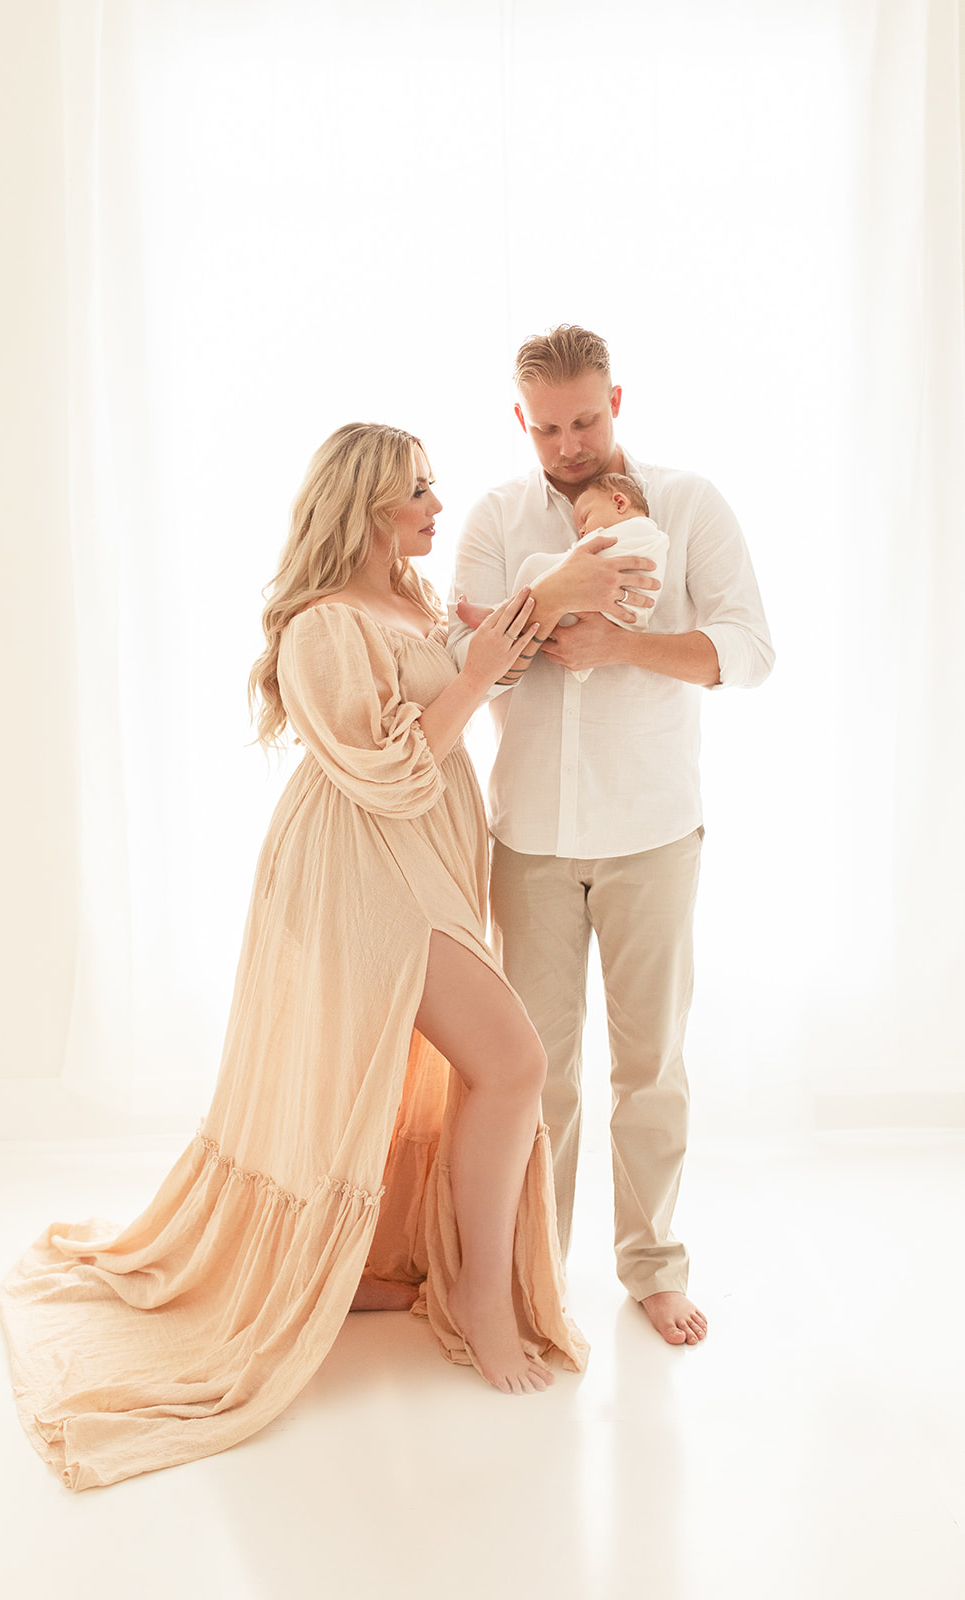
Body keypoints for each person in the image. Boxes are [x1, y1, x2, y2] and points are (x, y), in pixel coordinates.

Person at [0, 422, 587, 1491]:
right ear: (364, 501)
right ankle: (480, 1301)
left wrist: (512, 637)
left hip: (425, 853)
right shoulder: (323, 624)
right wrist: (478, 675)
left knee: (452, 1073)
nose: (435, 505)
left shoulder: (410, 601)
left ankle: (382, 1263)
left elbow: (448, 710)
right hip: (361, 865)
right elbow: (384, 766)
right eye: (417, 489)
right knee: (510, 1063)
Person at [449, 326, 774, 1347]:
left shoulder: (686, 504)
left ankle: (650, 1266)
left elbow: (749, 652)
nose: (568, 441)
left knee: (650, 1065)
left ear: (615, 399)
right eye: (546, 426)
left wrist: (618, 640)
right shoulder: (498, 517)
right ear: (520, 420)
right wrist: (542, 611)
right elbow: (463, 661)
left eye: (584, 418)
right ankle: (531, 1271)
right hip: (530, 838)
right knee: (529, 1073)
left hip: (651, 832)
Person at [513, 472, 671, 680]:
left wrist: (573, 559)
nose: (583, 531)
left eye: (585, 518)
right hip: (616, 616)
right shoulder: (649, 536)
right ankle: (505, 620)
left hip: (615, 614)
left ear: (619, 503)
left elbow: (581, 564)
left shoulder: (639, 530)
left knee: (534, 565)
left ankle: (503, 615)